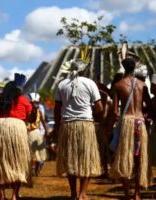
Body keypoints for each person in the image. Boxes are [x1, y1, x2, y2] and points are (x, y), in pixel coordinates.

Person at [54, 59, 103, 200]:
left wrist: (58, 128)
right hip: (85, 125)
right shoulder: (90, 83)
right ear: (84, 70)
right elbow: (99, 108)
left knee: (71, 159)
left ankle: (73, 193)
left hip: (67, 125)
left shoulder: (62, 84)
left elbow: (57, 109)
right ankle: (82, 193)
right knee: (86, 159)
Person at [0, 76, 35, 200]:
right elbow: (30, 118)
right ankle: (14, 195)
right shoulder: (23, 99)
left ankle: (1, 195)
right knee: (18, 163)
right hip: (17, 129)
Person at [110, 58, 151, 200]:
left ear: (123, 67)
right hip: (140, 121)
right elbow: (149, 105)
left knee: (124, 158)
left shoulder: (117, 85)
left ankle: (127, 193)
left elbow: (115, 112)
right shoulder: (142, 84)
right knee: (139, 159)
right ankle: (137, 194)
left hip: (126, 121)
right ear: (135, 67)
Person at [27, 92, 48, 176]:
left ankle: (36, 170)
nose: (35, 104)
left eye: (36, 103)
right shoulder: (28, 111)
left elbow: (43, 121)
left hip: (36, 132)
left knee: (38, 153)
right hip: (29, 132)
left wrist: (46, 130)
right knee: (32, 153)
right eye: (33, 103)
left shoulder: (39, 111)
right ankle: (32, 169)